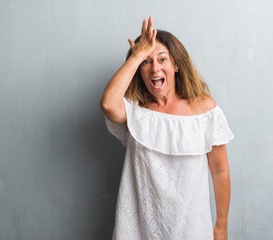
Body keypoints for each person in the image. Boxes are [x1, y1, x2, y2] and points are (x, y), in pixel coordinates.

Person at [100, 16, 234, 240]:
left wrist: (221, 227)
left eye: (162, 59)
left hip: (191, 228)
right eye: (147, 62)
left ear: (177, 65)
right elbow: (107, 104)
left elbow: (220, 171)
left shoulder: (205, 110)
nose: (155, 68)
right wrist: (136, 57)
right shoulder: (133, 111)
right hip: (138, 229)